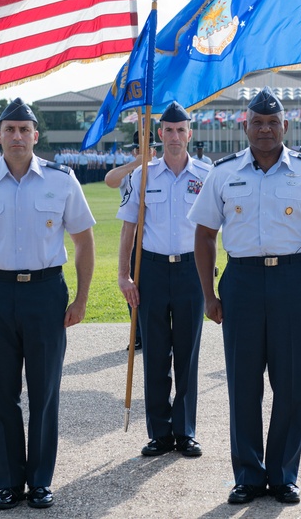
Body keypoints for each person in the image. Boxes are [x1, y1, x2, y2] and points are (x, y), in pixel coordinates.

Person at [189, 88, 301, 506]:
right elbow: (204, 234)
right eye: (257, 121)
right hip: (240, 282)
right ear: (245, 125)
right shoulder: (222, 173)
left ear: (285, 127)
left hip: (293, 281)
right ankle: (248, 476)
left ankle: (283, 475)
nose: (264, 129)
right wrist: (209, 294)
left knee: (290, 385)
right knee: (243, 385)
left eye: (272, 122)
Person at [0, 98, 96, 511]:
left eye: (23, 130)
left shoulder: (62, 181)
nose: (16, 136)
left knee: (45, 391)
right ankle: (9, 482)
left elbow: (83, 242)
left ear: (35, 136)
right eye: (9, 130)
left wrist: (81, 299)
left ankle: (41, 481)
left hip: (46, 294)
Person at [117, 101, 211, 459]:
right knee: (155, 354)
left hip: (191, 271)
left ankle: (185, 431)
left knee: (187, 354)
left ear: (190, 133)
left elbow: (216, 228)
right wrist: (124, 274)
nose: (175, 136)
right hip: (152, 271)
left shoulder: (206, 173)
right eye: (168, 130)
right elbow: (129, 228)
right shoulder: (142, 175)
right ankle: (159, 433)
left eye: (181, 130)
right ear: (160, 134)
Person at [105, 131, 160, 351]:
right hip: (135, 236)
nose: (145, 152)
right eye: (139, 149)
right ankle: (137, 333)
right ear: (134, 151)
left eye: (148, 148)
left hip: (157, 238)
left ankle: (160, 334)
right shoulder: (129, 173)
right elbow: (110, 180)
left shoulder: (161, 169)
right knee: (134, 286)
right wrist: (135, 163)